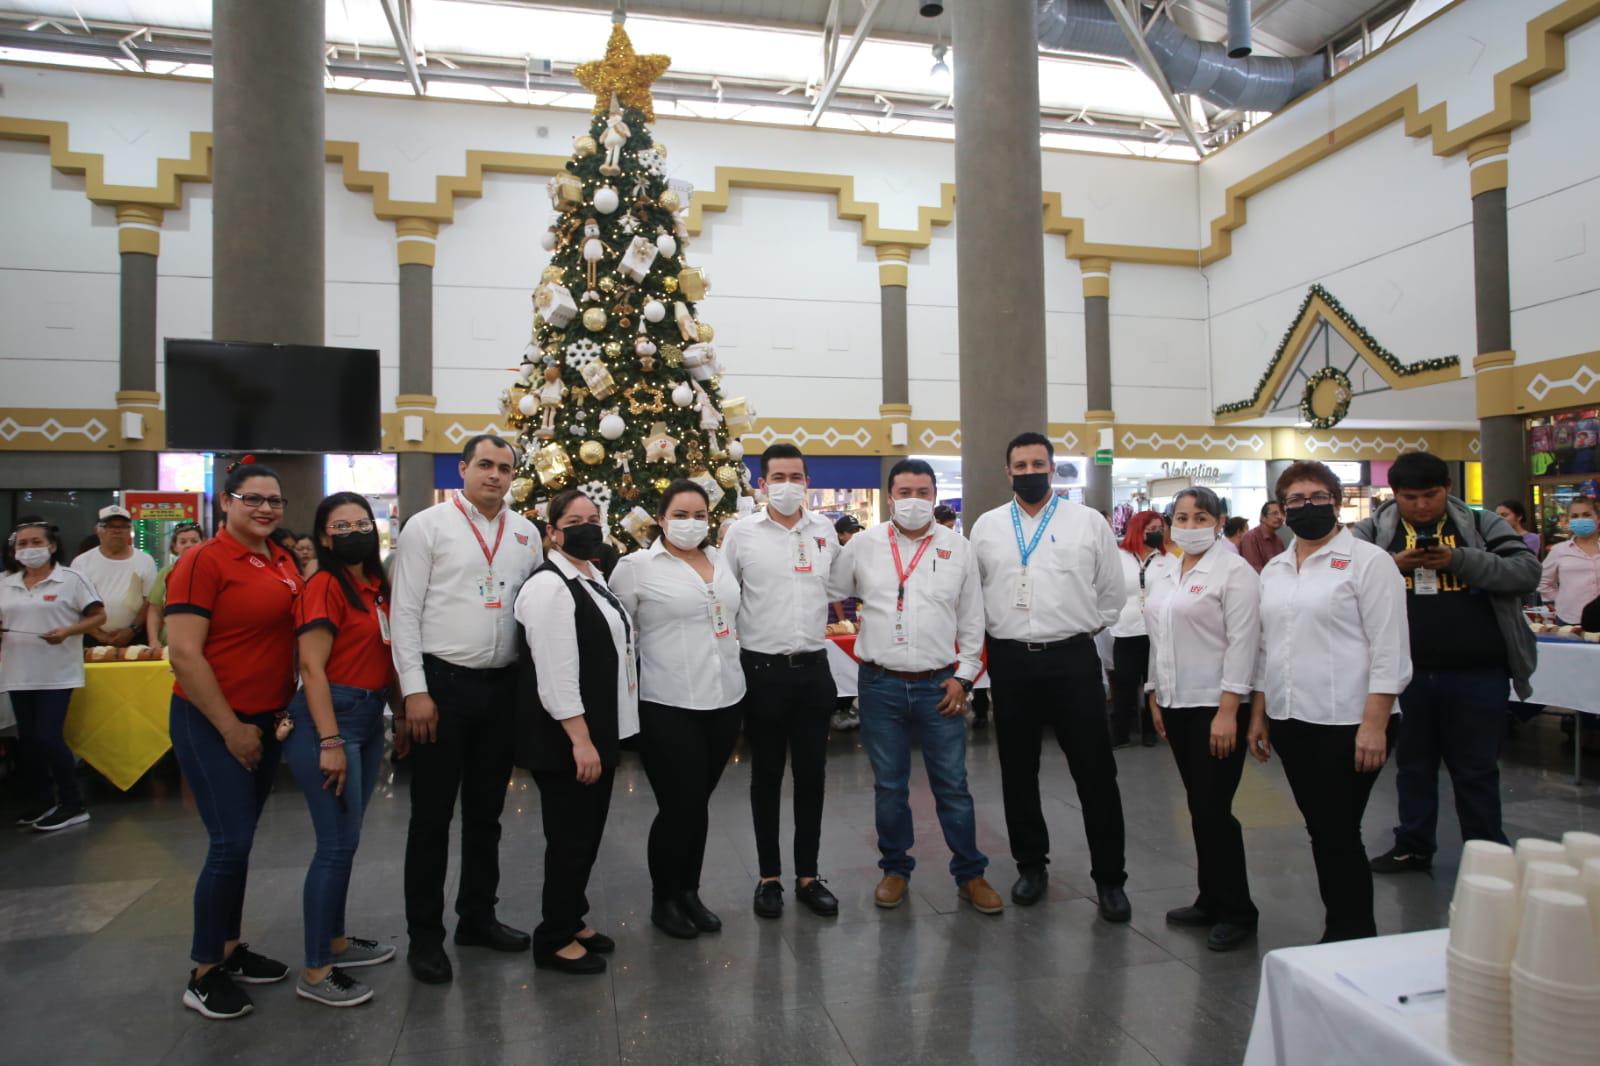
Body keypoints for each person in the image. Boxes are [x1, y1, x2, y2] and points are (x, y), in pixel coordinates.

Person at [389, 435, 543, 985]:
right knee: (431, 818)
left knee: (486, 815)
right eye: (485, 465)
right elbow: (404, 614)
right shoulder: (426, 527)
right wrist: (414, 691)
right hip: (442, 687)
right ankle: (424, 937)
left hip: (501, 688)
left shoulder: (526, 533)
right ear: (463, 468)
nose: (495, 476)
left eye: (505, 468)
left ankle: (477, 916)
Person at [827, 459, 1000, 915]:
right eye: (905, 492)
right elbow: (834, 587)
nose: (914, 501)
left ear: (935, 495)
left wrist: (964, 677)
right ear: (890, 497)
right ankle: (895, 870)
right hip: (881, 684)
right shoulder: (863, 545)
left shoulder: (957, 548)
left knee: (953, 786)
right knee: (889, 786)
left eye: (923, 492)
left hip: (939, 685)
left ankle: (971, 874)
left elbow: (972, 619)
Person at [165, 461, 306, 1019]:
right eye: (252, 499)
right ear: (225, 502)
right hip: (213, 721)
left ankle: (228, 948)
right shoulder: (202, 560)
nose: (266, 508)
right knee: (229, 843)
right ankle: (202, 971)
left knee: (241, 839)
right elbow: (184, 653)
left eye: (274, 500)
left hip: (266, 719)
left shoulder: (279, 560)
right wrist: (229, 726)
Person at [1353, 453, 1538, 875]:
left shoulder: (1481, 523)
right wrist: (1390, 566)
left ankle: (1488, 852)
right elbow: (1341, 583)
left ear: (1448, 488)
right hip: (1405, 676)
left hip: (1477, 672)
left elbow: (1525, 572)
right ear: (1394, 494)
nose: (1421, 506)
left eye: (1430, 495)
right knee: (1412, 766)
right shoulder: (1372, 532)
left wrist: (1459, 561)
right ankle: (1413, 844)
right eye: (1410, 497)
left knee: (1476, 769)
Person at [1250, 461, 1411, 943]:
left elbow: (1390, 648)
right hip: (1292, 719)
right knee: (1323, 828)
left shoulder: (1368, 562)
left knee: (1337, 828)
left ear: (1337, 503)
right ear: (1281, 508)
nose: (1306, 507)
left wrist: (1375, 724)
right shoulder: (1275, 569)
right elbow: (1266, 647)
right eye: (1294, 500)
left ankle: (1351, 932)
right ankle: (1344, 926)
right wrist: (1259, 714)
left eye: (1316, 497)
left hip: (1351, 721)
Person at [970, 433, 1130, 918]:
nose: (1029, 471)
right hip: (1012, 660)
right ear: (1008, 472)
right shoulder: (987, 526)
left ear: (1053, 467)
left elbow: (1111, 594)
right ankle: (1030, 865)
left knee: (1095, 772)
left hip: (1071, 660)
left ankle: (1109, 878)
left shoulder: (1087, 523)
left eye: (1038, 463)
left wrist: (1073, 626)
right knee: (1018, 770)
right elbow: (974, 594)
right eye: (1020, 465)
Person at [611, 480, 746, 939]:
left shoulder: (719, 560)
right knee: (678, 806)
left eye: (700, 515)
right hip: (668, 703)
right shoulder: (636, 567)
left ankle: (690, 891)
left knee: (699, 805)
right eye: (681, 515)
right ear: (661, 518)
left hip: (725, 698)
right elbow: (618, 635)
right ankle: (663, 899)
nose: (692, 523)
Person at [282, 492, 401, 1008]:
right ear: (325, 536)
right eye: (342, 524)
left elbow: (385, 651)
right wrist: (329, 740)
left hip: (370, 716)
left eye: (362, 522)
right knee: (333, 845)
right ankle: (315, 969)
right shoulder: (325, 585)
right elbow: (312, 668)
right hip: (332, 721)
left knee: (346, 841)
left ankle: (334, 941)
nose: (355, 530)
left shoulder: (374, 586)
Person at [512, 489, 637, 974]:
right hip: (567, 736)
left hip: (595, 728)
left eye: (594, 519)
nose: (587, 527)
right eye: (574, 520)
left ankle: (573, 915)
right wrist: (580, 739)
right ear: (552, 532)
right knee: (569, 836)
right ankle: (553, 936)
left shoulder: (591, 576)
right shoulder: (549, 586)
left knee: (585, 832)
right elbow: (556, 672)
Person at [721, 444, 842, 920]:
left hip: (813, 670)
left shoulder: (824, 531)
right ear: (763, 483)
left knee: (813, 775)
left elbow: (833, 588)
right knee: (767, 775)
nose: (787, 484)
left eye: (796, 476)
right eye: (778, 476)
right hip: (762, 671)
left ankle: (808, 875)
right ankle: (769, 876)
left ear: (807, 481)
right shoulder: (742, 535)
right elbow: (725, 599)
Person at [1143, 488, 1260, 950]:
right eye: (1182, 517)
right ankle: (1210, 897)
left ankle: (1238, 909)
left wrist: (1230, 709)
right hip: (1175, 701)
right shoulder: (1166, 569)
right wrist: (1153, 692)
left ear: (1220, 520)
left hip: (1217, 705)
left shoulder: (1235, 572)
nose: (1190, 526)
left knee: (1214, 809)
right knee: (1198, 806)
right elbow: (1159, 635)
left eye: (1201, 517)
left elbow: (1244, 642)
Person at [1, 517, 105, 832]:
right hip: (18, 672)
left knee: (49, 736)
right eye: (22, 544)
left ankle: (74, 804)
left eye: (35, 542)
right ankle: (44, 801)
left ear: (52, 546)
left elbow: (99, 616)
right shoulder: (5, 582)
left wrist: (68, 631)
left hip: (58, 672)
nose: (29, 549)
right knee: (29, 741)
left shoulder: (71, 579)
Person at [1109, 511, 1171, 748]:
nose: (1158, 532)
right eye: (1152, 528)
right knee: (1124, 683)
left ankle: (1150, 730)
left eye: (1160, 528)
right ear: (1138, 529)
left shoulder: (1168, 559)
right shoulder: (1118, 557)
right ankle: (1120, 732)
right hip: (1125, 630)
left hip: (1156, 631)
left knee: (1153, 684)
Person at [72, 504, 157, 648]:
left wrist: (132, 630)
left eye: (123, 526)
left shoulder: (145, 560)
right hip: (90, 638)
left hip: (135, 637)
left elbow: (149, 602)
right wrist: (99, 634)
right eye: (109, 526)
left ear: (130, 530)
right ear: (98, 530)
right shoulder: (81, 562)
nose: (117, 531)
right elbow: (75, 604)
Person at [145, 521, 205, 651]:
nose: (189, 545)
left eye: (194, 541)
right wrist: (153, 640)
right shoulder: (165, 574)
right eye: (183, 542)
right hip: (170, 648)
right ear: (175, 547)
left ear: (203, 543)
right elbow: (155, 610)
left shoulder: (214, 572)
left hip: (207, 646)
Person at [1540, 496, 1600, 624]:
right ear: (1569, 520)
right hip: (1570, 618)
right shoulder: (1559, 550)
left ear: (1598, 518)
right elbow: (1543, 582)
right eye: (1575, 516)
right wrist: (1562, 599)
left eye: (1586, 514)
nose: (1580, 519)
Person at [829, 513, 863, 733]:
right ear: (840, 535)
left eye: (857, 531)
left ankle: (845, 708)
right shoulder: (837, 556)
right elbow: (836, 596)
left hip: (853, 614)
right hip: (838, 619)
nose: (855, 535)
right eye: (851, 532)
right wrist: (842, 619)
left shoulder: (857, 554)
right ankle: (839, 709)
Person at [1240, 501, 1288, 573]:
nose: (1280, 517)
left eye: (1282, 513)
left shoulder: (1278, 540)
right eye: (1275, 513)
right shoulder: (1250, 538)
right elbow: (1254, 570)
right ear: (1262, 517)